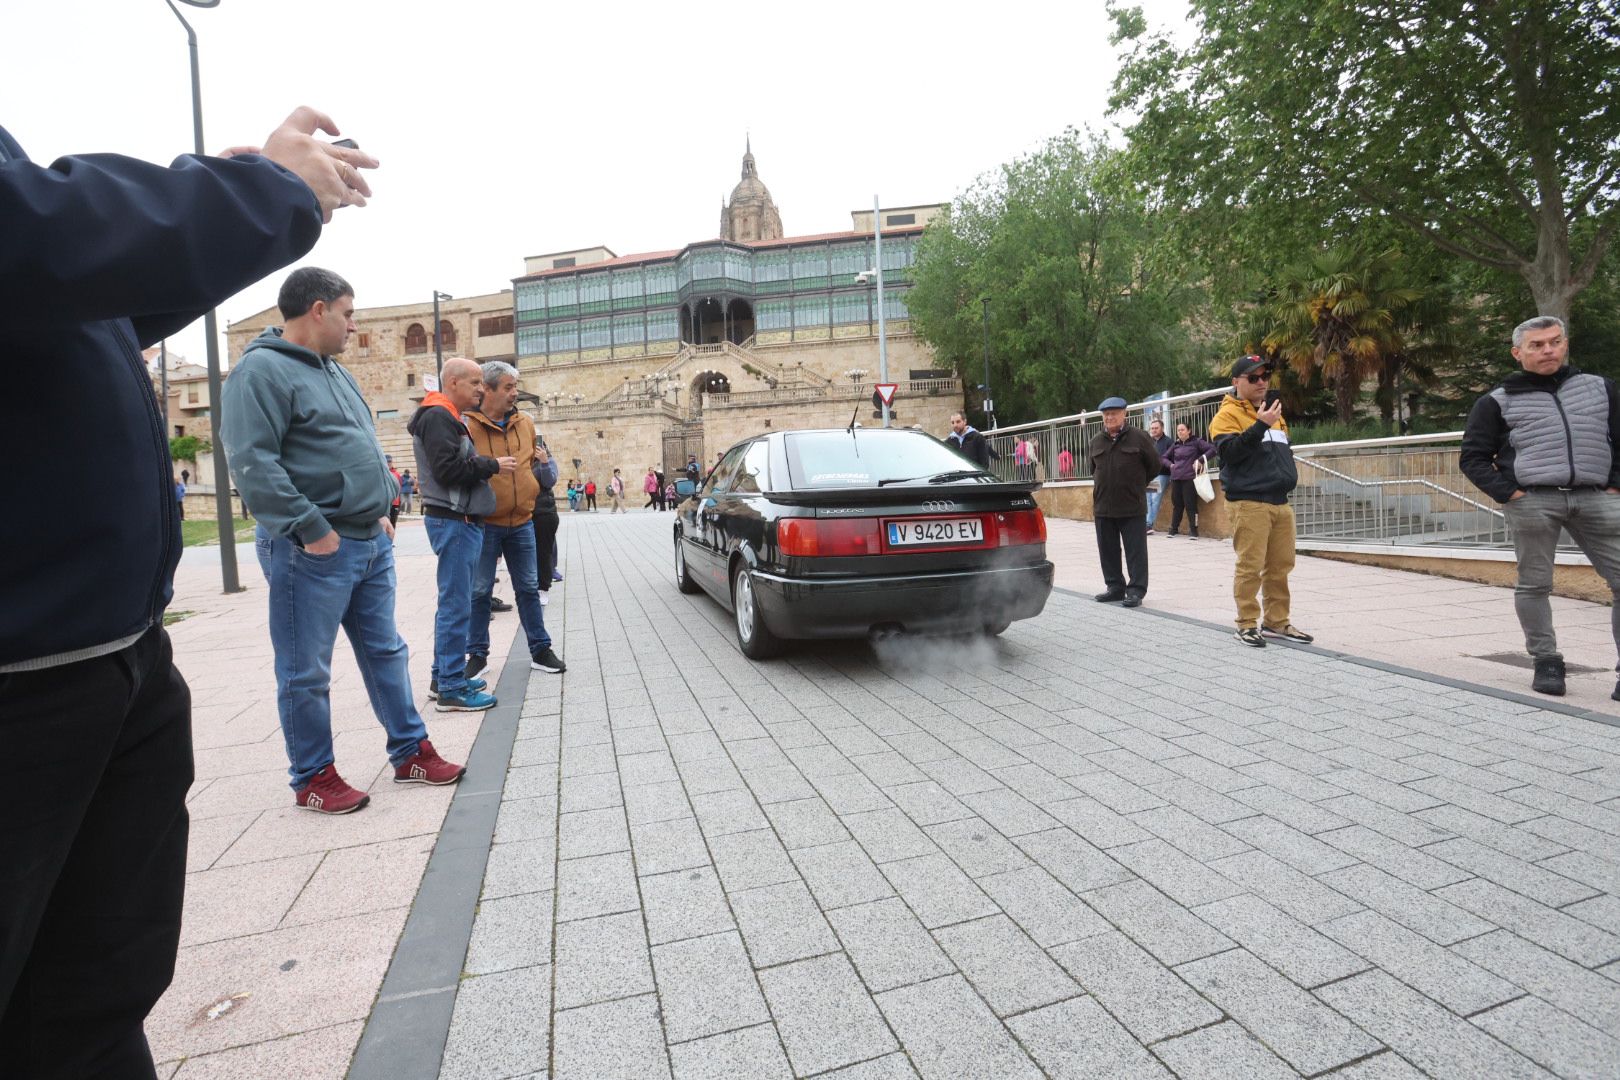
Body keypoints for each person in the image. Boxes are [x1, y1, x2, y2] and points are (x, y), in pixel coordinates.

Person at [1, 105, 376, 1077]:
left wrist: (235, 205)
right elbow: (31, 234)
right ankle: (314, 769)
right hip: (27, 680)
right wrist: (259, 197)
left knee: (92, 997)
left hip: (106, 659)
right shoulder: (269, 369)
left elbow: (69, 296)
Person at [224, 265, 466, 814]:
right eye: (348, 313)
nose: (354, 325)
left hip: (368, 540)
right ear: (318, 310)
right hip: (311, 548)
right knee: (306, 669)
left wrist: (380, 507)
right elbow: (252, 463)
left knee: (386, 651)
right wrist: (311, 529)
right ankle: (313, 776)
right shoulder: (259, 372)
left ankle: (410, 752)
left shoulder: (335, 370)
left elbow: (358, 445)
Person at [1460, 315, 1620, 698]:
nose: (1548, 350)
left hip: (1597, 497)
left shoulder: (1601, 388)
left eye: (1554, 341)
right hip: (1534, 501)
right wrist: (1511, 494)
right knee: (1535, 584)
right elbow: (1473, 457)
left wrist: (1615, 484)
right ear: (1518, 353)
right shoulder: (1496, 401)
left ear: (1564, 344)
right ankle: (1546, 661)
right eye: (1537, 345)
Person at [408, 356, 514, 711]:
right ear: (452, 382)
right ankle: (451, 687)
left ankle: (444, 677)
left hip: (458, 521)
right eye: (475, 383)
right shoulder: (439, 416)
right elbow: (448, 470)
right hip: (454, 521)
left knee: (454, 604)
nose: (481, 389)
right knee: (456, 606)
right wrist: (491, 465)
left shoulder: (443, 415)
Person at [464, 361, 567, 678]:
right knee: (480, 591)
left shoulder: (525, 424)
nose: (514, 393)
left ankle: (540, 650)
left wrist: (531, 488)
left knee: (528, 588)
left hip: (523, 520)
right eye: (508, 387)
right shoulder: (468, 426)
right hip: (485, 523)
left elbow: (531, 466)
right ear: (488, 389)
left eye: (516, 387)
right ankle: (477, 655)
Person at [1209, 356, 1314, 648]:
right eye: (1252, 378)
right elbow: (1229, 454)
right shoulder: (1226, 416)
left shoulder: (1274, 413)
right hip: (1248, 502)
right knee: (1250, 566)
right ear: (1236, 382)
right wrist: (1259, 425)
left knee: (1281, 566)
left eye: (1265, 376)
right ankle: (1246, 623)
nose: (1261, 382)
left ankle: (1276, 621)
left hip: (1280, 501)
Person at [1089, 397, 1161, 608]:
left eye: (1114, 413)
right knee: (1107, 550)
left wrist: (1136, 485)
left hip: (1132, 505)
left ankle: (1136, 590)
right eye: (1106, 414)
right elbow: (1093, 469)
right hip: (1103, 506)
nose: (1109, 417)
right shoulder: (1096, 441)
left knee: (1135, 551)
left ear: (1124, 414)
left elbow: (1154, 465)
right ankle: (1115, 587)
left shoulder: (1139, 437)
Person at [1161, 421, 1216, 538]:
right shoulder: (1175, 444)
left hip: (1190, 479)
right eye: (1178, 430)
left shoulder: (1197, 442)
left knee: (1191, 505)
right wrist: (1171, 465)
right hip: (1176, 478)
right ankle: (1173, 529)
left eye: (1182, 430)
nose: (1180, 432)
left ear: (1189, 431)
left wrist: (1200, 460)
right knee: (1177, 505)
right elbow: (1164, 457)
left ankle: (1194, 531)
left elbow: (1213, 450)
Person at [533, 434, 561, 606]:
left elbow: (549, 481)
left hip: (544, 513)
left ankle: (543, 588)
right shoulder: (521, 459)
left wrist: (543, 462)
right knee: (527, 554)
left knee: (543, 553)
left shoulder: (549, 461)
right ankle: (530, 588)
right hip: (524, 512)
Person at [1144, 417, 1173, 535]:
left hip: (1162, 474)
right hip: (1150, 475)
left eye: (1156, 428)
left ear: (1162, 428)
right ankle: (1146, 523)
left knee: (1155, 499)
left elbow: (1171, 459)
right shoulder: (1149, 442)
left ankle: (1148, 524)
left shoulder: (1168, 442)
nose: (1154, 430)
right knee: (1148, 500)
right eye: (1152, 428)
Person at [386, 454, 403, 527]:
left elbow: (400, 487)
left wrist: (399, 502)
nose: (388, 463)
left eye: (390, 461)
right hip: (385, 503)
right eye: (387, 462)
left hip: (395, 503)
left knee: (393, 523)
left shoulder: (397, 474)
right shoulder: (381, 473)